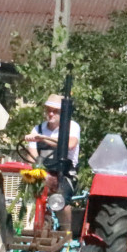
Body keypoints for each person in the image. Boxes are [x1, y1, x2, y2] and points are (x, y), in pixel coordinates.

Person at [24, 93, 80, 234]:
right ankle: (28, 227)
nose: (51, 113)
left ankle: (66, 232)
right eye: (48, 110)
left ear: (63, 112)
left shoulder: (72, 127)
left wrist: (42, 139)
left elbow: (70, 144)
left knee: (59, 199)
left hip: (66, 172)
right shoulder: (38, 129)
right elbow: (32, 156)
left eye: (55, 111)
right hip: (43, 172)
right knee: (25, 195)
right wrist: (40, 173)